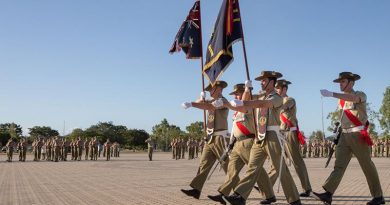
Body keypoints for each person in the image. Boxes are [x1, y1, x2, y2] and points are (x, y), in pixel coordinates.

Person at [224, 71, 301, 205]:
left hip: (272, 135)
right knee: (252, 167)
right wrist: (247, 89)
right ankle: (240, 196)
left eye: (264, 80)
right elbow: (246, 101)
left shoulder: (276, 97)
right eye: (261, 81)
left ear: (272, 82)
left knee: (281, 169)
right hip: (259, 136)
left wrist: (244, 102)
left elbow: (262, 104)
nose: (261, 83)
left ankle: (294, 200)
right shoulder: (259, 95)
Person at [314, 72, 385, 205]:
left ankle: (378, 196)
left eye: (343, 82)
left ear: (351, 83)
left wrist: (332, 94)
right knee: (339, 165)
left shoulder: (360, 94)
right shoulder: (341, 100)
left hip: (358, 135)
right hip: (344, 136)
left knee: (367, 165)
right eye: (340, 82)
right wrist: (337, 133)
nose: (340, 84)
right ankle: (328, 194)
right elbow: (344, 118)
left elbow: (353, 99)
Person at [207, 83, 275, 205]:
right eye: (235, 94)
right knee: (232, 170)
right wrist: (231, 144)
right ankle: (223, 194)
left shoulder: (248, 106)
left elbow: (247, 100)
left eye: (238, 94)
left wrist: (247, 90)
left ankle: (269, 195)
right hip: (237, 143)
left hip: (248, 142)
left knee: (255, 170)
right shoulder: (236, 110)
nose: (236, 97)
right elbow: (235, 128)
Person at [180, 80, 230, 199]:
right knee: (204, 163)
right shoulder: (212, 100)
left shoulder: (223, 101)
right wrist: (200, 97)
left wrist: (192, 104)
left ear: (219, 89)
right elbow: (201, 103)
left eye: (211, 89)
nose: (209, 91)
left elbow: (209, 106)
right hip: (210, 136)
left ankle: (239, 191)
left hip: (220, 137)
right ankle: (196, 189)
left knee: (227, 165)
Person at [267, 79, 312, 197]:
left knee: (296, 161)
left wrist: (280, 106)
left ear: (284, 89)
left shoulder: (289, 100)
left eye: (278, 88)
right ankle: (267, 185)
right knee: (277, 161)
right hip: (279, 133)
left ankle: (307, 188)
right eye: (275, 88)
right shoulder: (275, 100)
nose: (276, 90)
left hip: (289, 133)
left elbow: (286, 106)